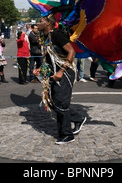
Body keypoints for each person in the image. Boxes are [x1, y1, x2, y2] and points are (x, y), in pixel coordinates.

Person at [33, 14, 86, 145]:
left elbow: (71, 52)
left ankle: (67, 135)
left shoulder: (57, 34)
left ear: (48, 23)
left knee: (61, 103)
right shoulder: (45, 38)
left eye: (40, 21)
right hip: (53, 74)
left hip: (65, 73)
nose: (37, 24)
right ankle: (77, 118)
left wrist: (61, 71)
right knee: (53, 102)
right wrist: (40, 69)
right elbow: (50, 59)